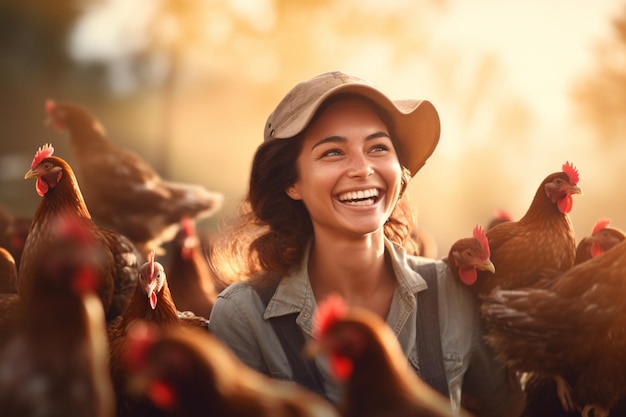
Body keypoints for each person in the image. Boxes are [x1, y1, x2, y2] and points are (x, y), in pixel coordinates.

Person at [208, 70, 525, 416]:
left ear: (399, 170)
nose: (362, 169)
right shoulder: (244, 317)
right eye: (332, 153)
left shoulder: (457, 294)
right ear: (291, 182)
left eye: (377, 148)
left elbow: (509, 410)